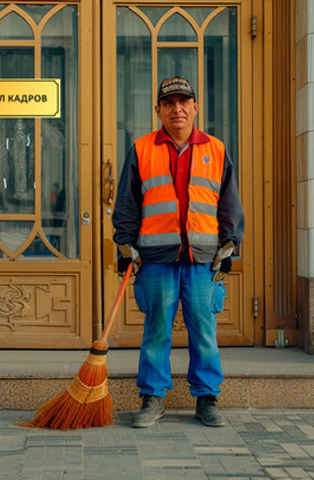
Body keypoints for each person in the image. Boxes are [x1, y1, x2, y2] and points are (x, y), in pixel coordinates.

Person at [112, 77, 244, 428]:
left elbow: (228, 203)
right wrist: (125, 246)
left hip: (203, 260)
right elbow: (127, 204)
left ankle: (207, 400)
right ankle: (153, 398)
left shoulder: (215, 149)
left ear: (195, 107)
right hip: (156, 260)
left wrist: (230, 244)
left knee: (204, 330)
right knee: (156, 330)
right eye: (169, 103)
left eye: (184, 101)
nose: (177, 108)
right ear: (158, 110)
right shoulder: (142, 149)